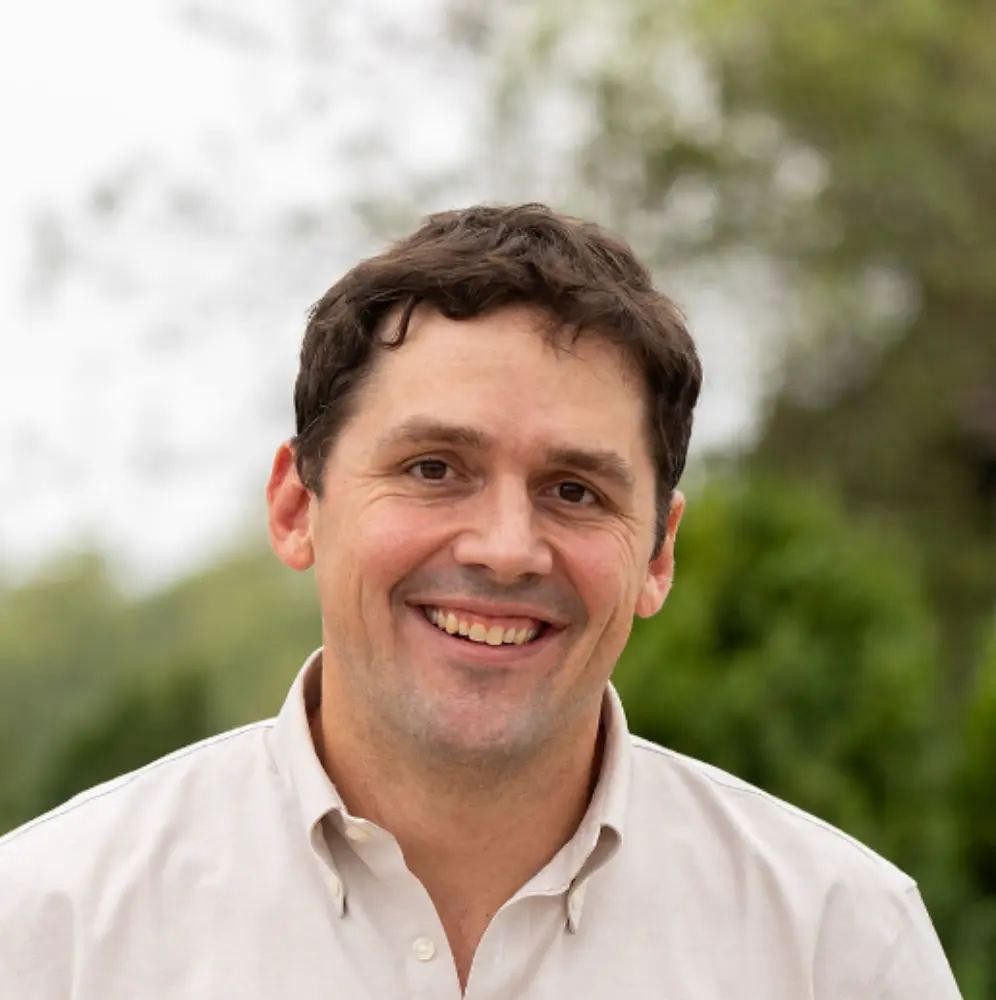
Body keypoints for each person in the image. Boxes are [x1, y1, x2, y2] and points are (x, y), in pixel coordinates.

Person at [0, 204, 961, 999]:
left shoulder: (838, 945)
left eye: (574, 490)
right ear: (297, 509)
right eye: (433, 468)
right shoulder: (48, 930)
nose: (505, 550)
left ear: (659, 554)